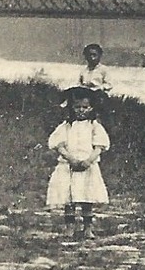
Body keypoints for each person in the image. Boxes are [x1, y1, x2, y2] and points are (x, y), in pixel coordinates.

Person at [46, 87, 110, 242]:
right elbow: (58, 144)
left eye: (85, 107)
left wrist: (89, 160)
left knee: (86, 196)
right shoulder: (66, 126)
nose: (81, 110)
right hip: (69, 165)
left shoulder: (94, 125)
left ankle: (88, 228)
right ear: (71, 108)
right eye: (77, 107)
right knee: (69, 197)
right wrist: (70, 158)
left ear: (91, 108)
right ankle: (70, 226)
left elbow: (100, 145)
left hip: (88, 165)